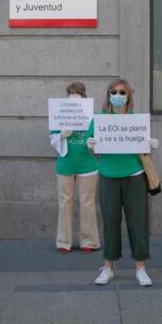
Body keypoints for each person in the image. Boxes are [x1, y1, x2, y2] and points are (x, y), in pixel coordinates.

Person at [86, 79, 159, 287]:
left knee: (138, 222)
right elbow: (91, 149)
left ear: (129, 96)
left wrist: (150, 144)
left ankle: (141, 268)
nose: (117, 95)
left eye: (122, 92)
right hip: (108, 176)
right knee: (110, 222)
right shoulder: (99, 119)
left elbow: (143, 148)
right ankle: (108, 267)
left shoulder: (136, 120)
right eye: (114, 92)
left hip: (134, 176)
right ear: (108, 95)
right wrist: (90, 144)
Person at [50, 81, 100, 253]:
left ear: (83, 97)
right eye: (71, 94)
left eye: (77, 94)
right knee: (64, 202)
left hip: (88, 164)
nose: (74, 97)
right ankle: (63, 242)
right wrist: (61, 135)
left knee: (87, 203)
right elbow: (53, 139)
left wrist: (94, 143)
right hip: (65, 164)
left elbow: (99, 139)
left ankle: (89, 241)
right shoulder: (59, 113)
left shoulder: (92, 116)